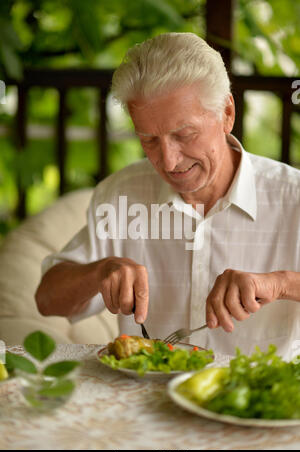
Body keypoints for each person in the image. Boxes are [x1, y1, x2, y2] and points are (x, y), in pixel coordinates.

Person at [35, 32, 300, 358]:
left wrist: (280, 284)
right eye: (149, 140)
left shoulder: (292, 196)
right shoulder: (121, 194)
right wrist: (99, 271)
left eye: (184, 134)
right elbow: (47, 299)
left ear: (227, 113)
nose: (169, 161)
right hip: (147, 400)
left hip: (256, 400)